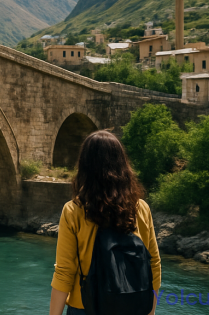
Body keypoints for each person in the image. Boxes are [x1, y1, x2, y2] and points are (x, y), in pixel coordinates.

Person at [49, 130, 161, 315]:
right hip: (133, 306)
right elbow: (154, 264)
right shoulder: (141, 208)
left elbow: (64, 272)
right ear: (122, 164)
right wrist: (150, 311)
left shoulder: (74, 210)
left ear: (85, 166)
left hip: (85, 307)